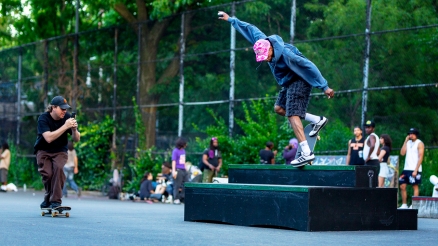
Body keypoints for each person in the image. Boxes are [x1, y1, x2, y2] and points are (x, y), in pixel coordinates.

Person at [218, 12, 335, 167]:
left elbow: (309, 66)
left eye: (267, 56)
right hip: (288, 83)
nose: (266, 59)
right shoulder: (263, 42)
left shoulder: (287, 55)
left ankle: (306, 153)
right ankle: (317, 120)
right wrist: (231, 20)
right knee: (279, 108)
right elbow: (250, 29)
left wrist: (324, 86)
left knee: (293, 114)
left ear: (271, 50)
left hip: (300, 80)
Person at [34, 96, 80, 209]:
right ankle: (47, 199)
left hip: (60, 151)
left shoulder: (67, 118)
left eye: (66, 109)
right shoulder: (43, 118)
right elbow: (48, 138)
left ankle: (55, 201)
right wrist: (65, 126)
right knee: (48, 175)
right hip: (43, 151)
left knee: (59, 170)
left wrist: (74, 129)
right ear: (53, 107)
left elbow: (76, 139)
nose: (65, 111)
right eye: (62, 108)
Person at [399, 128, 424, 209]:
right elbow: (402, 153)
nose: (411, 135)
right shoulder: (408, 142)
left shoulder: (419, 143)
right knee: (402, 186)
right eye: (410, 134)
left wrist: (416, 170)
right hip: (406, 168)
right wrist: (405, 141)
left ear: (416, 134)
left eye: (413, 133)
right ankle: (404, 204)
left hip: (415, 168)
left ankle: (414, 205)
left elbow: (420, 157)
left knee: (415, 186)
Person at [172, 137, 190, 205]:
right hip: (178, 169)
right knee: (177, 184)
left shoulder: (183, 151)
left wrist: (186, 168)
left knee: (187, 183)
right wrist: (174, 170)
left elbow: (183, 161)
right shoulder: (175, 151)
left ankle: (182, 197)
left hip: (183, 169)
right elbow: (174, 161)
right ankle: (176, 198)